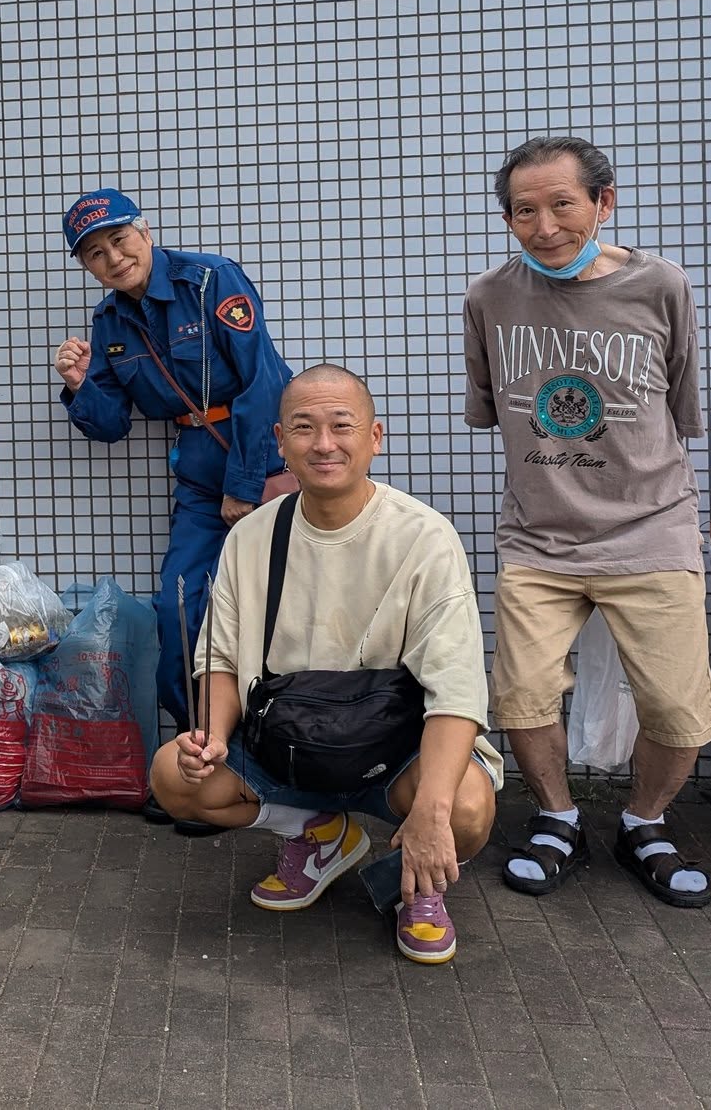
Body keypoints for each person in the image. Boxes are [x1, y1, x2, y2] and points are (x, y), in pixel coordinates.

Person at [149, 365, 500, 964]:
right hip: (285, 742)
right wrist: (212, 736)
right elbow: (221, 659)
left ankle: (417, 877)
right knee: (175, 777)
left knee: (464, 807)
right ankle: (318, 835)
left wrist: (432, 811)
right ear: (281, 442)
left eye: (342, 425)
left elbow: (456, 687)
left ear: (375, 437)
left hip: (393, 749)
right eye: (304, 428)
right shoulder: (250, 538)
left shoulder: (424, 537)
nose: (324, 444)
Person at [462, 135, 711, 909]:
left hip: (652, 526)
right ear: (508, 219)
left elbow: (679, 403)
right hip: (539, 536)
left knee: (679, 707)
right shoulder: (489, 298)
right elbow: (492, 405)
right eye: (524, 211)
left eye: (562, 204)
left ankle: (645, 821)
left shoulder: (661, 286)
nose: (544, 226)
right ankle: (558, 818)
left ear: (603, 203)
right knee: (522, 694)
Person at [51, 189, 293, 754]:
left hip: (264, 461)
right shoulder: (109, 321)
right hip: (200, 480)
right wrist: (80, 385)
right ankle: (205, 747)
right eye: (95, 253)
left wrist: (243, 485)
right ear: (86, 266)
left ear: (145, 232)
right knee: (178, 610)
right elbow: (111, 425)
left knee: (279, 612)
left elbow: (264, 383)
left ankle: (281, 748)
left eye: (120, 239)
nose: (114, 258)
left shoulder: (209, 281)